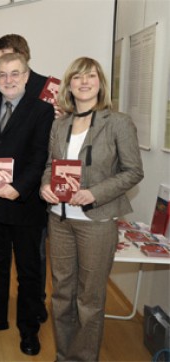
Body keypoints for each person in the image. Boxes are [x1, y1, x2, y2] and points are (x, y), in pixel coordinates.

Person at [39, 57, 143, 361]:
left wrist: (93, 193)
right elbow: (50, 165)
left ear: (101, 83)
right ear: (69, 85)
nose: (84, 82)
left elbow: (133, 171)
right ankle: (63, 355)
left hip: (97, 222)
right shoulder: (60, 124)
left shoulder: (118, 123)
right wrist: (45, 186)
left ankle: (83, 358)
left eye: (91, 76)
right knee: (61, 295)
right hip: (59, 220)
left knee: (90, 299)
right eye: (77, 77)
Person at [0, 53, 53, 356]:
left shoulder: (42, 111)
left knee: (28, 272)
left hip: (24, 205)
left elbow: (40, 156)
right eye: (2, 74)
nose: (8, 80)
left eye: (15, 74)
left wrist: (19, 188)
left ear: (26, 76)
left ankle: (28, 330)